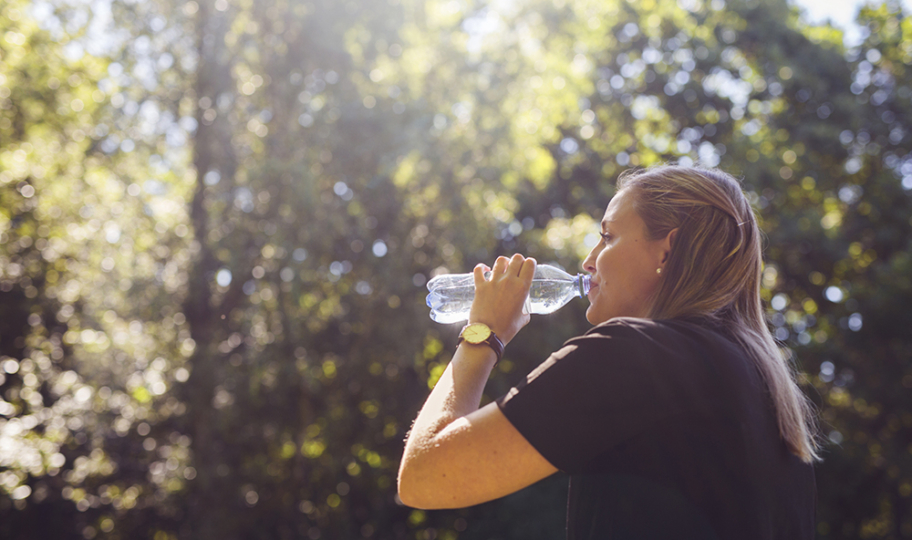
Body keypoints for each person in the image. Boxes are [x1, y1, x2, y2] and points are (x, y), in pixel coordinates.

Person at [397, 165, 819, 540]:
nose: (587, 261)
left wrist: (485, 333)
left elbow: (424, 476)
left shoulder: (634, 355)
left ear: (666, 251)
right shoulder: (773, 400)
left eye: (607, 236)